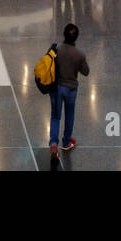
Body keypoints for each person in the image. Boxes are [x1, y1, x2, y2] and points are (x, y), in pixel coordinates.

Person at [49, 22, 89, 156]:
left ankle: (54, 144)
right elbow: (86, 72)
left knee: (55, 116)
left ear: (64, 34)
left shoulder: (56, 49)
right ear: (76, 37)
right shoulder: (79, 54)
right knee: (69, 114)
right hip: (71, 89)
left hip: (56, 88)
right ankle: (66, 142)